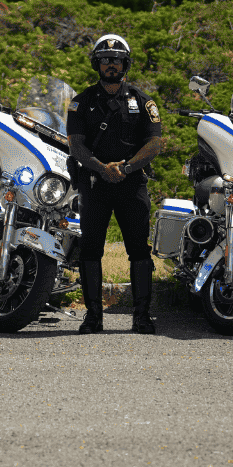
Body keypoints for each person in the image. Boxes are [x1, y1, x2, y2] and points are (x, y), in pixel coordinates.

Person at [67, 35, 164, 334]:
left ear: (126, 64)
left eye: (117, 60)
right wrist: (102, 168)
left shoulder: (143, 101)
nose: (111, 65)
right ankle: (93, 317)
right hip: (94, 183)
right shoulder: (81, 102)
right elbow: (76, 145)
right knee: (90, 250)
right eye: (105, 60)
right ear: (96, 64)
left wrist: (127, 167)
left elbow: (154, 143)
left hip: (131, 184)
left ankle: (142, 316)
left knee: (139, 251)